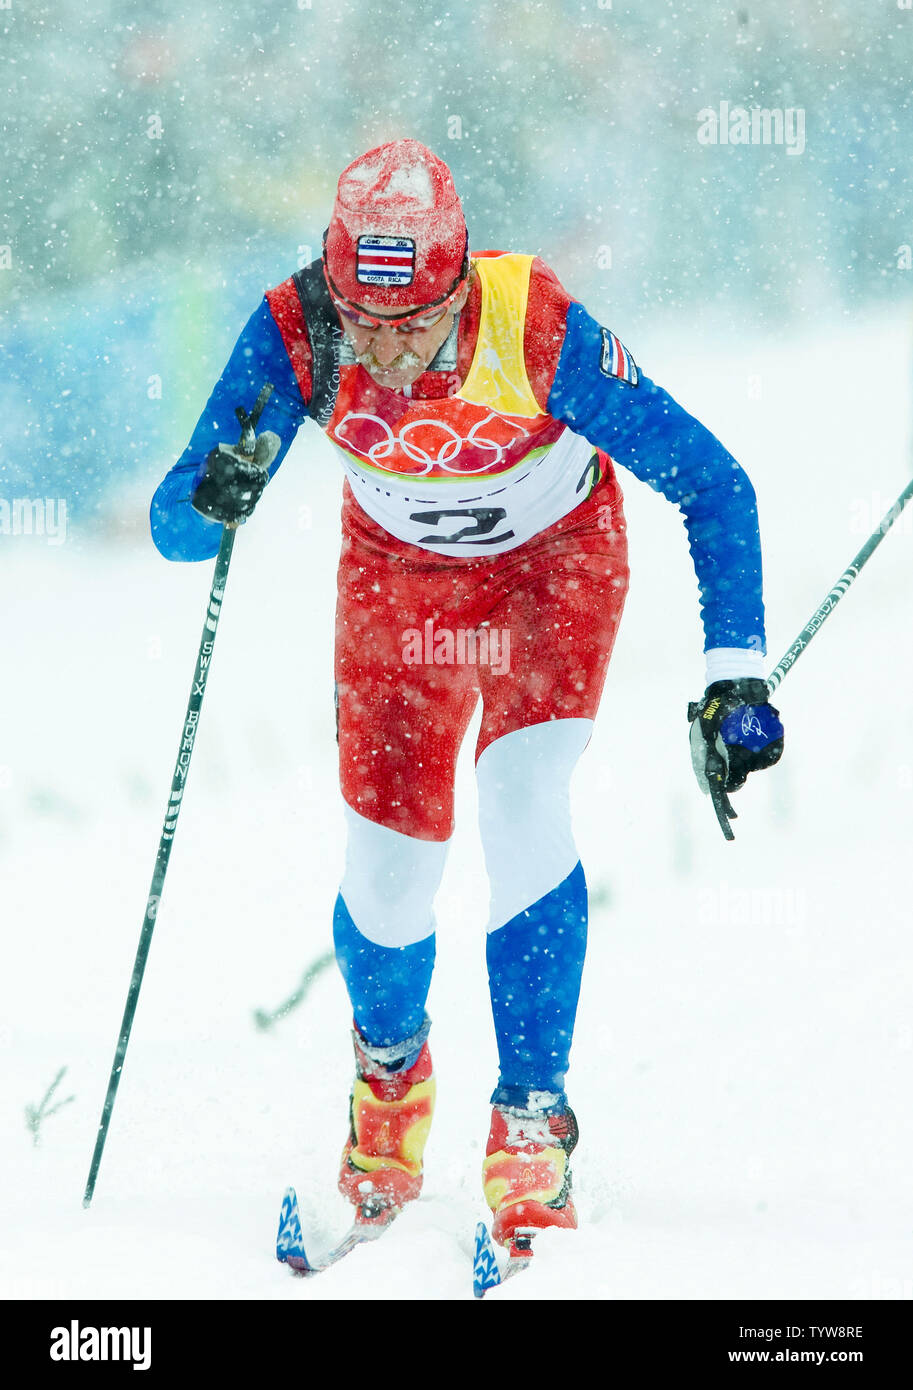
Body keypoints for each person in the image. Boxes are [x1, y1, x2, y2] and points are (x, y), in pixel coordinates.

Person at [150, 139, 783, 1251]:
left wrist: (734, 672)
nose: (387, 355)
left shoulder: (532, 323)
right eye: (366, 324)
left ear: (455, 285)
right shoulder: (298, 332)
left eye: (414, 325)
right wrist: (215, 492)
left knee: (522, 796)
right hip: (396, 590)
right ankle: (388, 1089)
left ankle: (532, 1122)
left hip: (551, 570)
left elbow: (712, 484)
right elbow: (172, 528)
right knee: (390, 877)